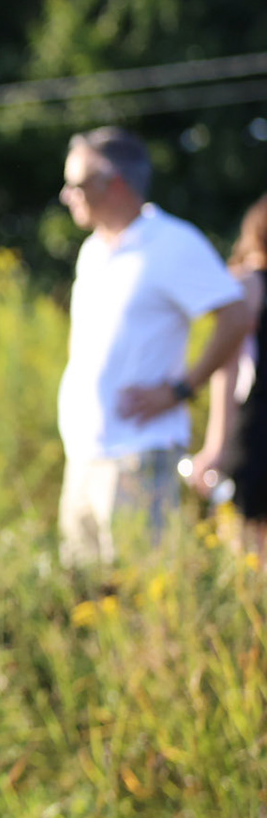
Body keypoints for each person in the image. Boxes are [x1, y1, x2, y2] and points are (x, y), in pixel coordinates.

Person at [55, 126, 249, 566]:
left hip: (139, 454)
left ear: (114, 183)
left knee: (141, 590)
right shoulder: (92, 250)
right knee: (84, 592)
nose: (67, 196)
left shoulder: (173, 243)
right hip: (84, 453)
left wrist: (181, 389)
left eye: (77, 185)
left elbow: (235, 317)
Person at [187, 195, 267, 553]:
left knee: (244, 549)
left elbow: (229, 368)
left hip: (254, 430)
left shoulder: (249, 284)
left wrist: (215, 445)